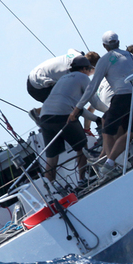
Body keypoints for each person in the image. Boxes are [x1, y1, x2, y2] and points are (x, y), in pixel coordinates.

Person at [70, 31, 133, 178]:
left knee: (106, 127)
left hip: (122, 97)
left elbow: (92, 86)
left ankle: (110, 164)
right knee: (124, 128)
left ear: (104, 46)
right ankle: (106, 159)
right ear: (118, 42)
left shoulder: (106, 59)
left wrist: (77, 109)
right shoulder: (131, 56)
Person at [40, 55, 106, 186]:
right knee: (82, 147)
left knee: (52, 158)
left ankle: (51, 190)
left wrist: (96, 119)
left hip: (45, 117)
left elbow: (78, 108)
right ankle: (82, 180)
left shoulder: (63, 79)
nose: (90, 72)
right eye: (89, 69)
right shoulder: (83, 78)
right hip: (63, 116)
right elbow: (96, 103)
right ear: (84, 69)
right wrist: (110, 112)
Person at [26, 49, 97, 121]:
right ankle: (37, 113)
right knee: (68, 104)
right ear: (90, 68)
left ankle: (41, 115)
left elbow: (71, 49)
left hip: (34, 76)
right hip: (38, 86)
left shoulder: (77, 55)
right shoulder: (73, 73)